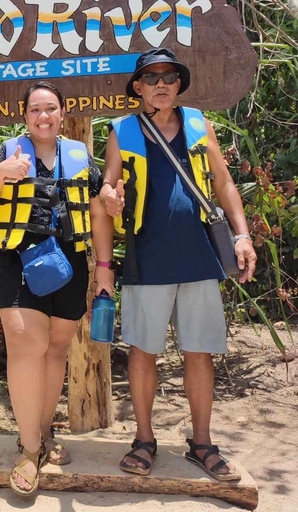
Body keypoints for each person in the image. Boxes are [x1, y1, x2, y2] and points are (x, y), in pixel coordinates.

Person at [100, 48, 257, 481]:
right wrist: (110, 199)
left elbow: (224, 183)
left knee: (199, 351)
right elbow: (109, 186)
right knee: (143, 350)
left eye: (169, 76)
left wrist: (243, 236)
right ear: (138, 88)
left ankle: (202, 443)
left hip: (199, 257)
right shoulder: (122, 130)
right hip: (146, 256)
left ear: (179, 84)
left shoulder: (197, 124)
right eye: (152, 78)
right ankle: (144, 440)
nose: (162, 84)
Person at [0, 81, 114, 497]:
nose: (43, 116)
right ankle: (29, 447)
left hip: (69, 263)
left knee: (55, 348)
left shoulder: (80, 157)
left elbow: (101, 210)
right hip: (18, 258)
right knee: (24, 343)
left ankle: (43, 429)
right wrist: (0, 172)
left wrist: (104, 267)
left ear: (62, 113)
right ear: (25, 115)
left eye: (51, 108)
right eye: (35, 109)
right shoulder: (8, 151)